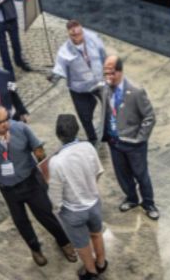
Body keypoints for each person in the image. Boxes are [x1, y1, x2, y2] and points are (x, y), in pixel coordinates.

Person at [0, 106, 75, 266]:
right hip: (8, 189)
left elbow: (38, 149)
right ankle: (35, 249)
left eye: (5, 119)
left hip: (31, 181)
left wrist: (43, 166)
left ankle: (64, 242)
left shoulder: (20, 128)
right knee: (21, 222)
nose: (4, 124)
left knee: (46, 214)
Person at [46, 113, 107, 279]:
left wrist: (57, 210)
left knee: (82, 244)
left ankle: (91, 272)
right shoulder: (88, 147)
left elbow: (56, 193)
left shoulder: (56, 162)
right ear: (77, 130)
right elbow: (98, 171)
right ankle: (101, 263)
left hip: (73, 211)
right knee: (97, 233)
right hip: (94, 203)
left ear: (58, 135)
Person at [101, 55, 159, 219]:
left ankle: (148, 203)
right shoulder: (105, 87)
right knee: (122, 174)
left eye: (112, 74)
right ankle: (132, 198)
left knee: (141, 175)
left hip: (134, 144)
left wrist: (140, 138)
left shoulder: (135, 91)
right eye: (106, 74)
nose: (109, 78)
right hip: (114, 141)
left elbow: (149, 117)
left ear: (120, 72)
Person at [51, 20, 106, 145]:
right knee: (84, 116)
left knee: (109, 104)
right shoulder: (64, 51)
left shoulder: (93, 39)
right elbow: (60, 66)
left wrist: (107, 72)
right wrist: (55, 75)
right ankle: (92, 138)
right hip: (79, 88)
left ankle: (111, 129)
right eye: (73, 35)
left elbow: (103, 54)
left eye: (79, 33)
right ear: (69, 35)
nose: (77, 37)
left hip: (98, 81)